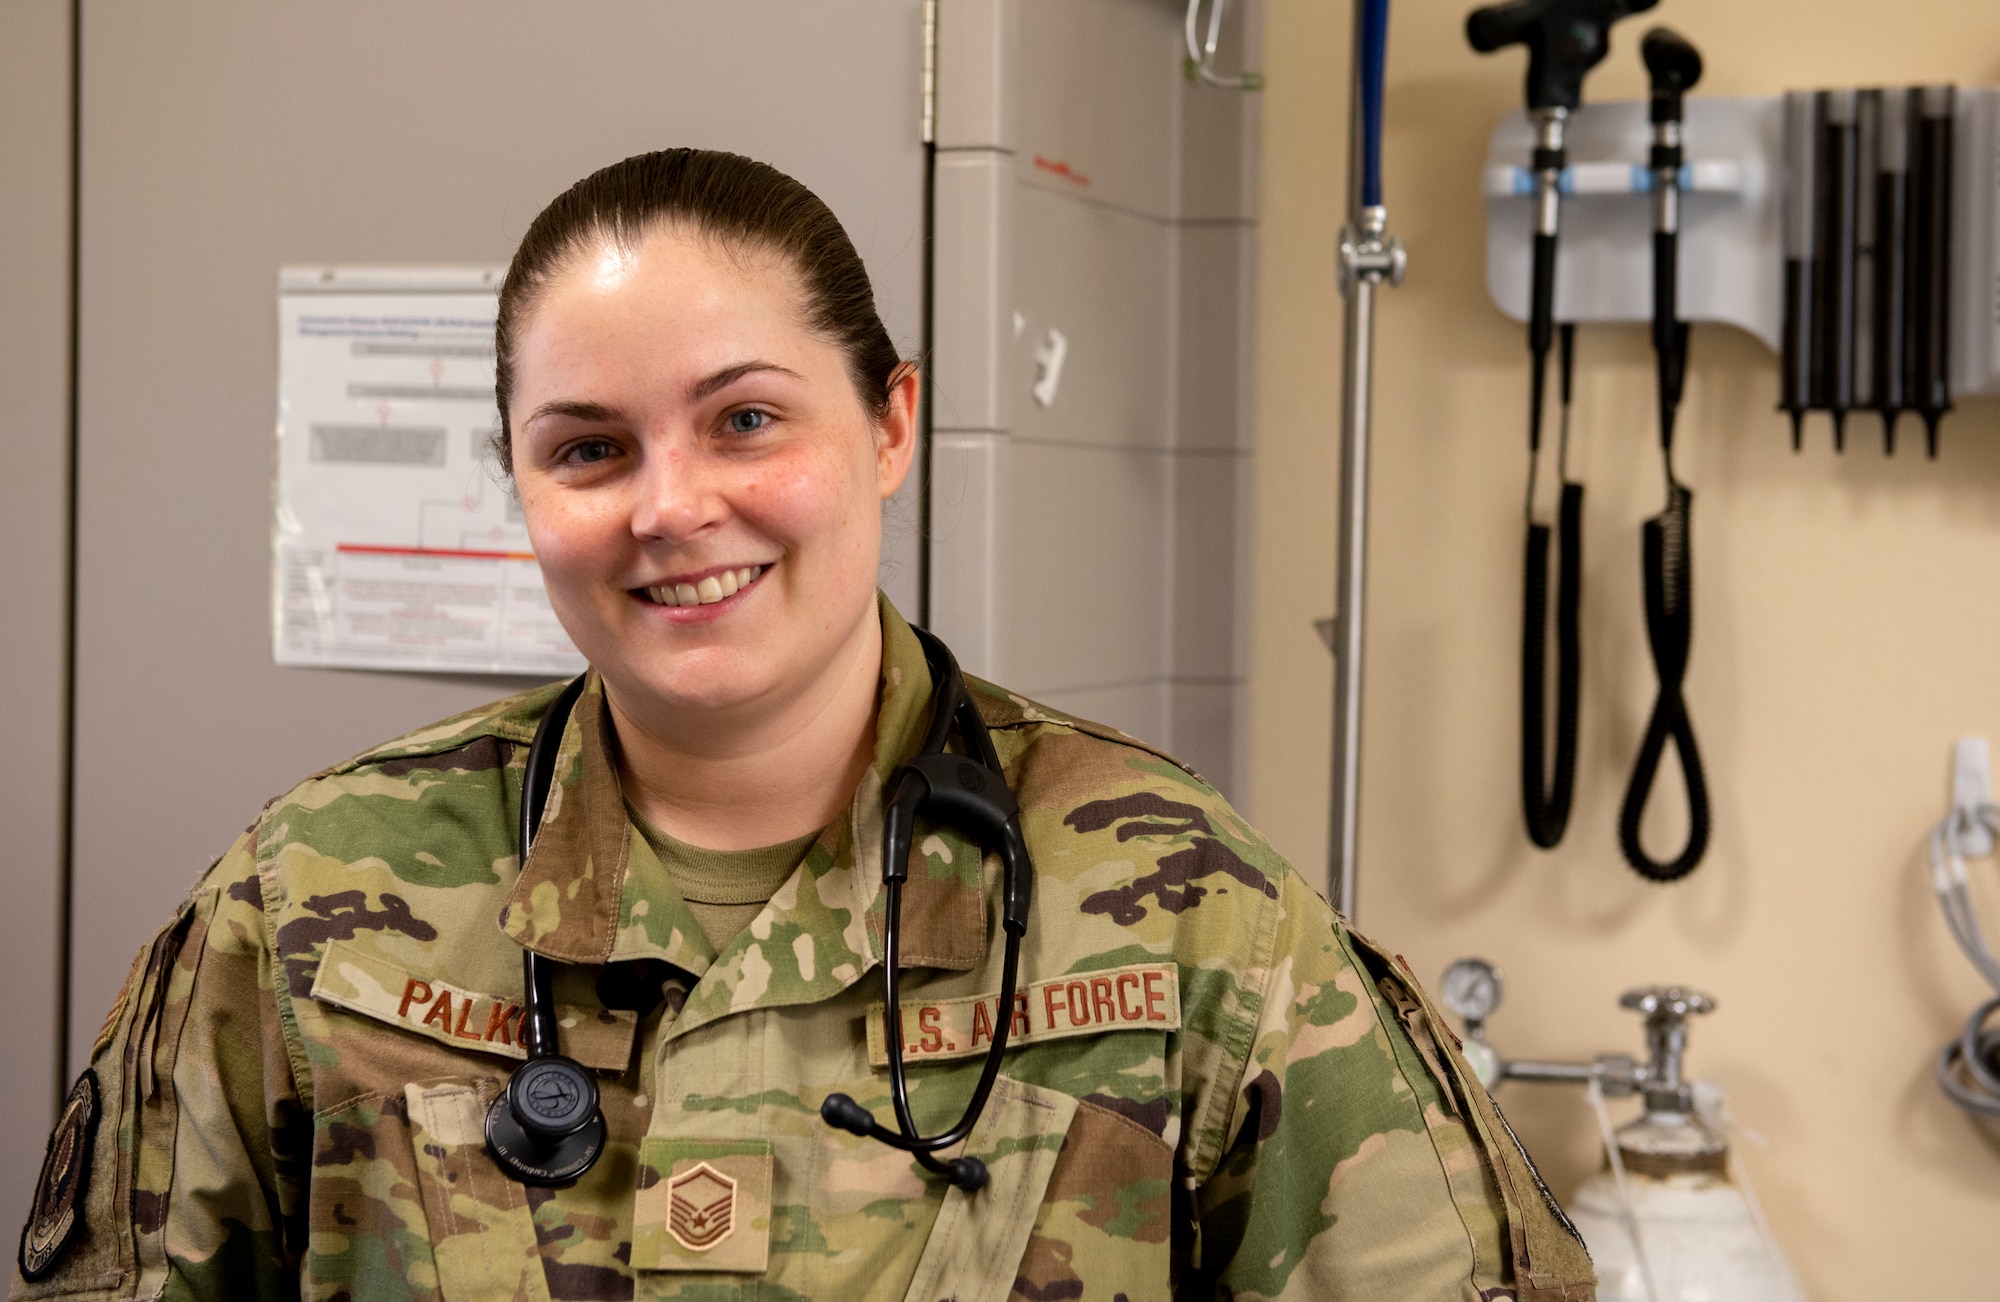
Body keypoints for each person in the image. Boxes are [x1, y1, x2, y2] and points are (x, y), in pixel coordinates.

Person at [13, 149, 1594, 1302]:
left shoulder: (1186, 912)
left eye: (745, 418)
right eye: (587, 447)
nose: (671, 507)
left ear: (891, 422)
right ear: (520, 483)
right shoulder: (311, 904)